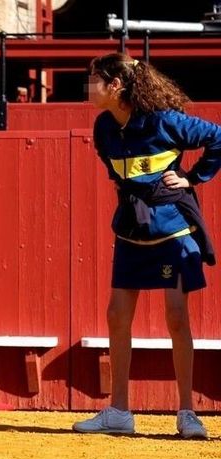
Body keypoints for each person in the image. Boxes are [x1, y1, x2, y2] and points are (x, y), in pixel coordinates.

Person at [73, 53, 221, 439]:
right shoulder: (104, 127)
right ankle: (119, 411)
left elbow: (218, 138)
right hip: (130, 233)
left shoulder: (165, 121)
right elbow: (116, 172)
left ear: (116, 86)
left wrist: (191, 179)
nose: (88, 86)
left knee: (176, 316)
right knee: (116, 316)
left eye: (94, 79)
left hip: (172, 233)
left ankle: (187, 412)